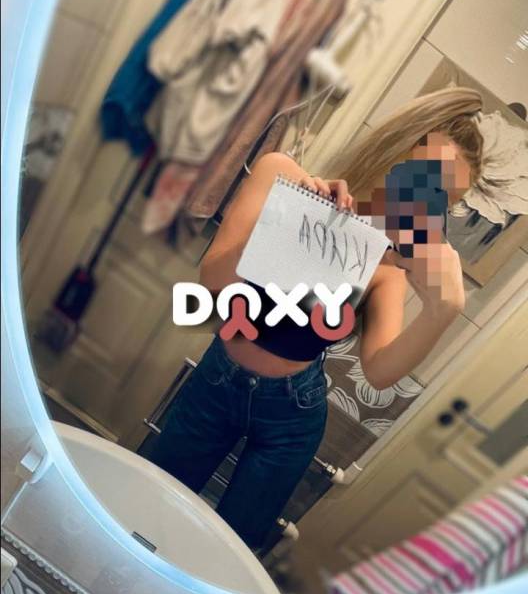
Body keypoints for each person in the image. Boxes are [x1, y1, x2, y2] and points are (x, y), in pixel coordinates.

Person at [138, 87, 484, 550]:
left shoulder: (385, 265)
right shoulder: (281, 174)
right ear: (395, 150)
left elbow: (379, 372)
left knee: (231, 546)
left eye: (444, 200)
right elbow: (214, 281)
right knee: (150, 506)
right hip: (217, 382)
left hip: (292, 414)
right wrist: (289, 222)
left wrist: (442, 312)